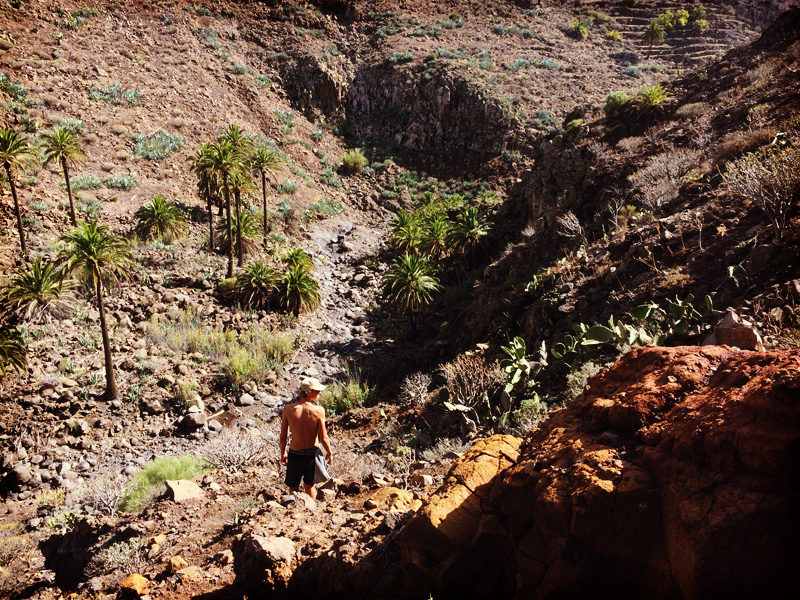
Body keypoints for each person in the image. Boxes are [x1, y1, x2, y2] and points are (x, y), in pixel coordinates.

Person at [279, 377, 332, 500]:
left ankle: (293, 511)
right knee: (309, 486)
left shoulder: (288, 409)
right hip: (311, 455)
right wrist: (329, 452)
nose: (320, 393)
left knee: (293, 486)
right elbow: (323, 437)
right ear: (308, 392)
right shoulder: (318, 411)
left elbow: (283, 437)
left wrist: (283, 453)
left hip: (295, 454)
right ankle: (311, 510)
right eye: (317, 391)